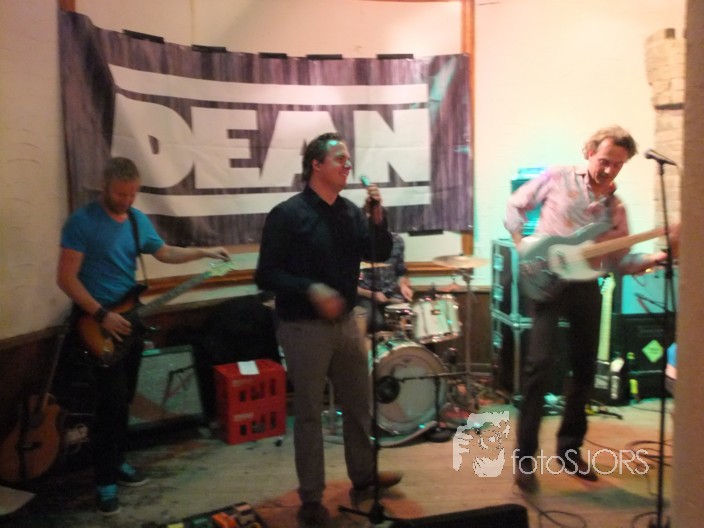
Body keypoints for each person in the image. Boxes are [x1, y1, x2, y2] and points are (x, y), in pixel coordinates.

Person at [504, 125, 677, 493]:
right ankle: (525, 460)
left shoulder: (616, 210)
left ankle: (569, 451)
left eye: (618, 165)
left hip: (586, 287)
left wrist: (659, 256)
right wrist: (521, 244)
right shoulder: (558, 176)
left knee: (584, 371)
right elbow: (515, 206)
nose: (609, 170)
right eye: (604, 161)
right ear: (589, 153)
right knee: (538, 366)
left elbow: (620, 260)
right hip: (546, 282)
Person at [55, 157, 230, 516]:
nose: (127, 200)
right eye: (121, 194)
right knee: (109, 404)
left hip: (129, 321)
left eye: (132, 194)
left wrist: (204, 251)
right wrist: (101, 314)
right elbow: (66, 278)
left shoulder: (136, 220)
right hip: (96, 324)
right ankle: (104, 481)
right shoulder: (81, 222)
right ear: (105, 186)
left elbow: (164, 252)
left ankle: (117, 461)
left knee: (125, 399)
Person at [255, 132, 403, 527]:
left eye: (348, 158)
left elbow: (379, 252)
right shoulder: (287, 214)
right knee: (308, 414)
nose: (347, 164)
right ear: (316, 165)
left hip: (347, 324)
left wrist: (378, 219)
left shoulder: (351, 212)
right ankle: (311, 497)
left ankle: (363, 476)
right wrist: (311, 288)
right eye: (339, 158)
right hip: (303, 328)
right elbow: (265, 274)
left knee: (358, 405)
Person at [357, 232, 414, 333]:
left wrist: (404, 285)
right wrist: (371, 294)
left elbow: (401, 273)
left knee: (409, 319)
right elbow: (348, 284)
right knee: (378, 323)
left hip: (391, 295)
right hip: (364, 296)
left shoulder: (397, 241)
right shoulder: (356, 242)